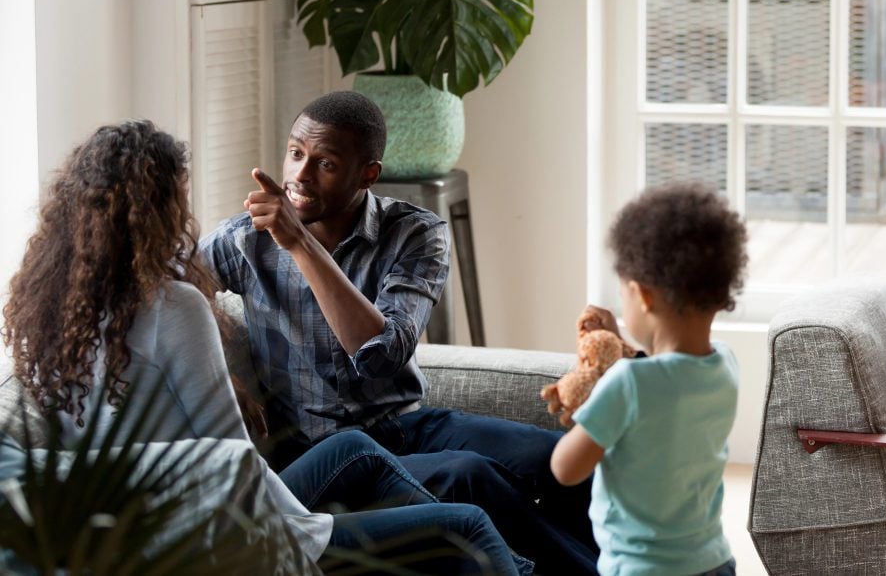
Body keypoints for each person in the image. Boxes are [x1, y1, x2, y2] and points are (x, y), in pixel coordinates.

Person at [1, 119, 529, 575]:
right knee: (467, 524)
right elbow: (233, 462)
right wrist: (313, 527)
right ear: (161, 210)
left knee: (355, 448)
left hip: (146, 521)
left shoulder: (51, 311)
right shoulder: (173, 309)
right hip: (225, 528)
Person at [200, 91, 598, 573]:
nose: (300, 176)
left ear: (368, 173)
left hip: (405, 424)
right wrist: (219, 375)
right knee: (471, 477)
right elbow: (164, 287)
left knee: (559, 459)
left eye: (324, 163)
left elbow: (381, 355)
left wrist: (302, 245)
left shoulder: (414, 232)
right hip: (325, 452)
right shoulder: (244, 238)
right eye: (295, 153)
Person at [548, 183, 745, 576]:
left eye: (623, 292)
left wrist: (583, 415)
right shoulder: (726, 365)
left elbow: (565, 469)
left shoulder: (627, 384)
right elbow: (667, 379)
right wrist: (621, 344)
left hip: (643, 567)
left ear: (643, 295)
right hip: (713, 560)